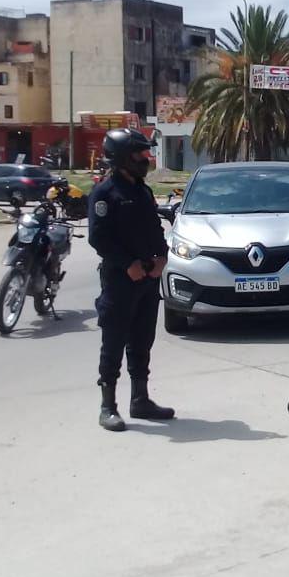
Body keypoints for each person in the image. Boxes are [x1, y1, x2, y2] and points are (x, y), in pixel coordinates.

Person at [88, 128, 174, 431]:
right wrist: (127, 265)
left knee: (142, 341)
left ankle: (140, 400)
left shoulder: (142, 190)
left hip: (148, 279)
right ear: (123, 158)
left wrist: (162, 256)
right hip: (120, 281)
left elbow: (154, 228)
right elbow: (99, 239)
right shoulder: (105, 193)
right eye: (140, 154)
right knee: (113, 343)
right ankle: (107, 406)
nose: (146, 159)